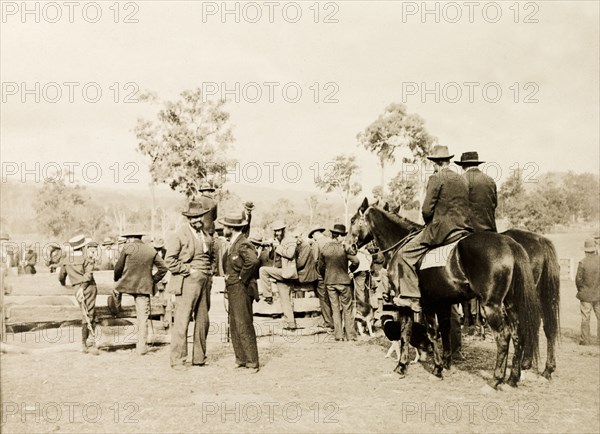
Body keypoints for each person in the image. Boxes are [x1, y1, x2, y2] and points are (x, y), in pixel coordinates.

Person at [392, 145, 471, 300]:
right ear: (447, 161)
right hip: (463, 228)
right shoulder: (462, 178)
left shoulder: (436, 178)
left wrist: (429, 223)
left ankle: (411, 295)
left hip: (442, 230)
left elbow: (427, 209)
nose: (432, 166)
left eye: (433, 164)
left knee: (404, 254)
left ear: (436, 163)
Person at [165, 202, 214, 370]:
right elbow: (169, 261)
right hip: (187, 282)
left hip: (205, 281)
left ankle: (199, 357)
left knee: (203, 320)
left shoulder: (207, 235)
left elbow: (211, 258)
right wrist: (188, 270)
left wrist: (210, 274)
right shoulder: (179, 235)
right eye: (194, 217)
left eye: (200, 216)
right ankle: (178, 360)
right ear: (188, 219)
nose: (198, 220)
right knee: (182, 320)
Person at [113, 232, 168, 355]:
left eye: (127, 239)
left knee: (115, 293)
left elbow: (118, 268)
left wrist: (117, 279)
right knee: (142, 318)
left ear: (131, 238)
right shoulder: (151, 250)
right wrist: (153, 280)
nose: (127, 241)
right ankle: (141, 348)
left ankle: (116, 311)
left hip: (126, 285)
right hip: (143, 287)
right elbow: (164, 268)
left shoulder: (127, 248)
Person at [221, 212, 260, 372]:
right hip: (233, 288)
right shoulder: (233, 243)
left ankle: (252, 362)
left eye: (225, 226)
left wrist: (241, 278)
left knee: (243, 324)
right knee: (235, 325)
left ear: (231, 228)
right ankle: (241, 359)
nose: (223, 228)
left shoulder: (243, 244)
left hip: (241, 289)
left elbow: (253, 261)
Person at [59, 235, 100, 355]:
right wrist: (83, 288)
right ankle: (87, 343)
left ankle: (87, 342)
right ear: (83, 247)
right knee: (89, 314)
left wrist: (65, 284)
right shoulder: (86, 259)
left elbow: (61, 277)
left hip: (77, 288)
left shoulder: (66, 261)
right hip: (88, 288)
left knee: (86, 312)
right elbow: (88, 276)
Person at [318, 224, 359, 341]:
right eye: (343, 236)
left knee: (335, 309)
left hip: (330, 282)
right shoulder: (344, 248)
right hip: (344, 282)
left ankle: (338, 336)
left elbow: (320, 266)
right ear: (340, 236)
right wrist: (350, 271)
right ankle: (350, 336)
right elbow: (356, 261)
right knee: (347, 308)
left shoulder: (325, 248)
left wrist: (326, 276)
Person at [257, 221, 298, 329]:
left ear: (283, 230)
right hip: (281, 272)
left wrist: (278, 247)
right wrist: (271, 248)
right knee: (285, 300)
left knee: (263, 270)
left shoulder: (290, 239)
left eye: (279, 231)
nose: (277, 233)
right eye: (275, 231)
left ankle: (268, 297)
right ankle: (291, 323)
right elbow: (273, 259)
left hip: (287, 272)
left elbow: (290, 254)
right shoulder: (279, 241)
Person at [456, 151, 497, 232]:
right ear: (477, 164)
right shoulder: (490, 180)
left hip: (470, 230)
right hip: (490, 228)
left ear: (463, 166)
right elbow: (495, 204)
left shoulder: (460, 180)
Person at [309, 226, 334, 332]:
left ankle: (328, 322)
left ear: (315, 234)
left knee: (323, 298)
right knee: (333, 298)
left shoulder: (316, 243)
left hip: (322, 275)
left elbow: (315, 260)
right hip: (334, 274)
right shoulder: (331, 241)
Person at [576, 238, 600, 345]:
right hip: (599, 295)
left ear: (585, 251)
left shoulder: (582, 262)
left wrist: (581, 290)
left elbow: (578, 280)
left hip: (585, 294)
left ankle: (585, 340)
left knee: (585, 318)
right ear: (594, 249)